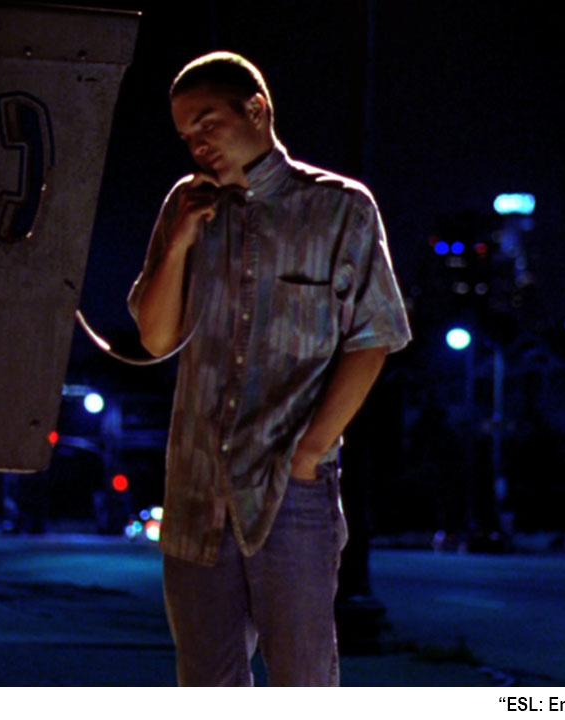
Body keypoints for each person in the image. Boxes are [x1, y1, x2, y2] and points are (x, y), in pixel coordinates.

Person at [127, 51, 411, 686]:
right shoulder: (186, 205)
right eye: (185, 135)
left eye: (207, 123)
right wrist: (180, 243)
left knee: (302, 679)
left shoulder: (340, 208)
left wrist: (309, 452)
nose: (197, 145)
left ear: (256, 109)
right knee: (206, 683)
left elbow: (373, 340)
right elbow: (155, 337)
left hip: (289, 487)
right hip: (197, 489)